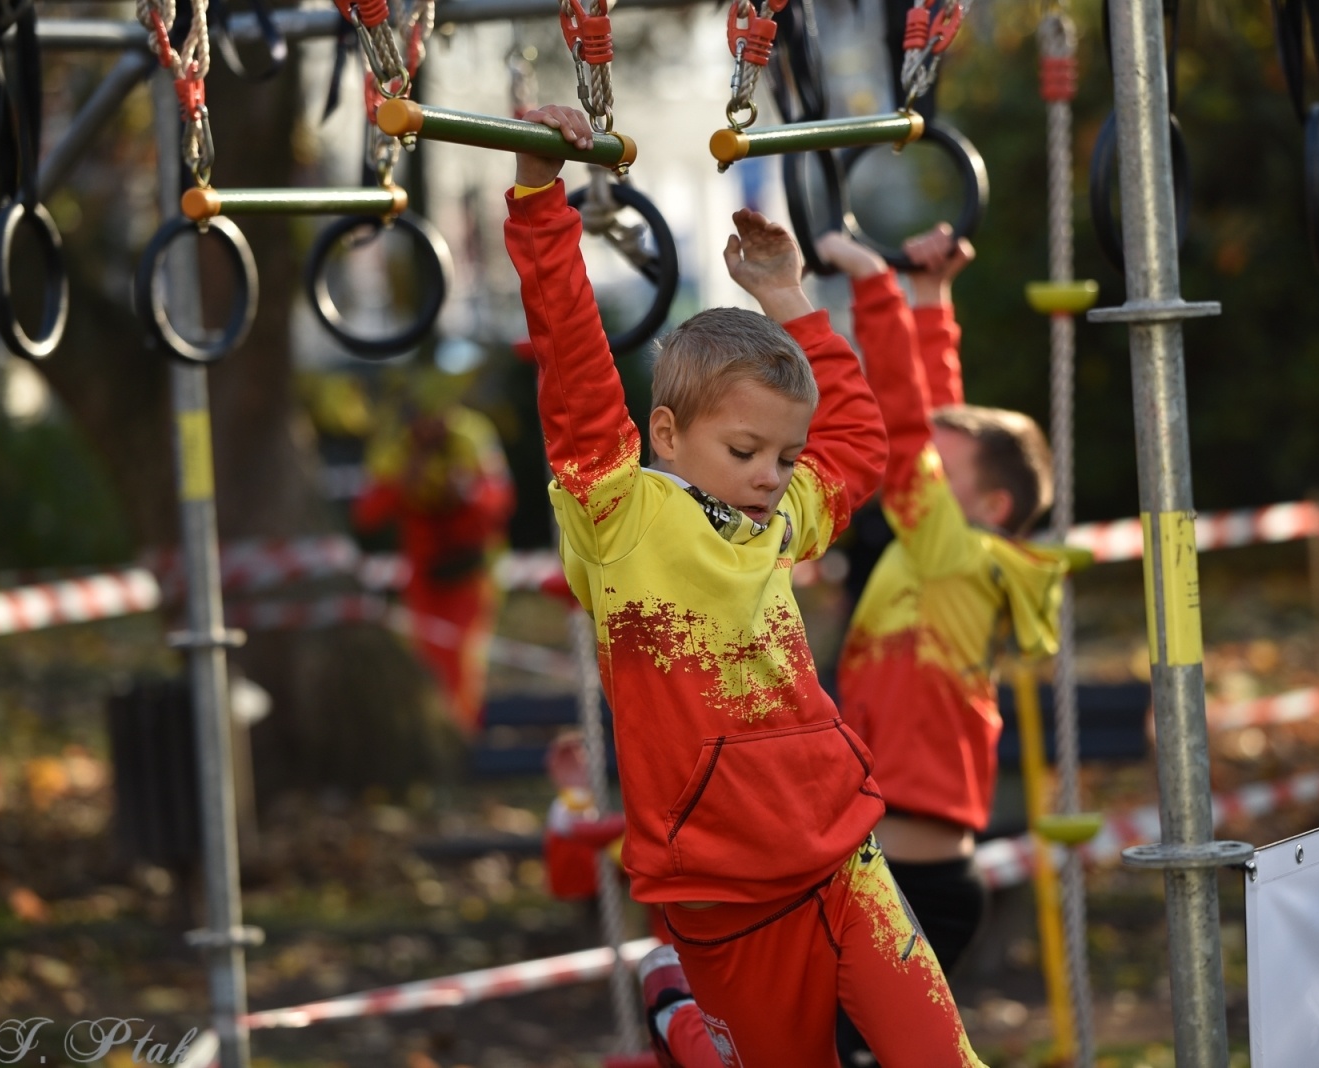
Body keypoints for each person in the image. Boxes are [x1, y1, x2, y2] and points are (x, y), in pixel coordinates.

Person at [504, 105, 989, 1068]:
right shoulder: (622, 514)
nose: (773, 474)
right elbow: (574, 366)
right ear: (669, 433)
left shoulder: (774, 521)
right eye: (745, 450)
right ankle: (682, 1017)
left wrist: (790, 296)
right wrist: (536, 194)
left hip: (843, 855)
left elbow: (856, 446)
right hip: (722, 889)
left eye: (782, 453)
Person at [817, 226, 1069, 1067]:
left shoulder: (960, 564)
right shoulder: (943, 551)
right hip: (883, 876)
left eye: (936, 469)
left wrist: (873, 286)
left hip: (913, 890)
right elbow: (934, 418)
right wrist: (931, 296)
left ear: (990, 507)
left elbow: (902, 427)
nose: (917, 467)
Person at [353, 369, 516, 732]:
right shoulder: (395, 446)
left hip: (473, 573)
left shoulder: (472, 435)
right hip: (425, 574)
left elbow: (500, 501)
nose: (429, 424)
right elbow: (366, 513)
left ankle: (464, 744)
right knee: (429, 664)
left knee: (464, 664)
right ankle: (443, 744)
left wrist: (467, 493)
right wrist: (401, 484)